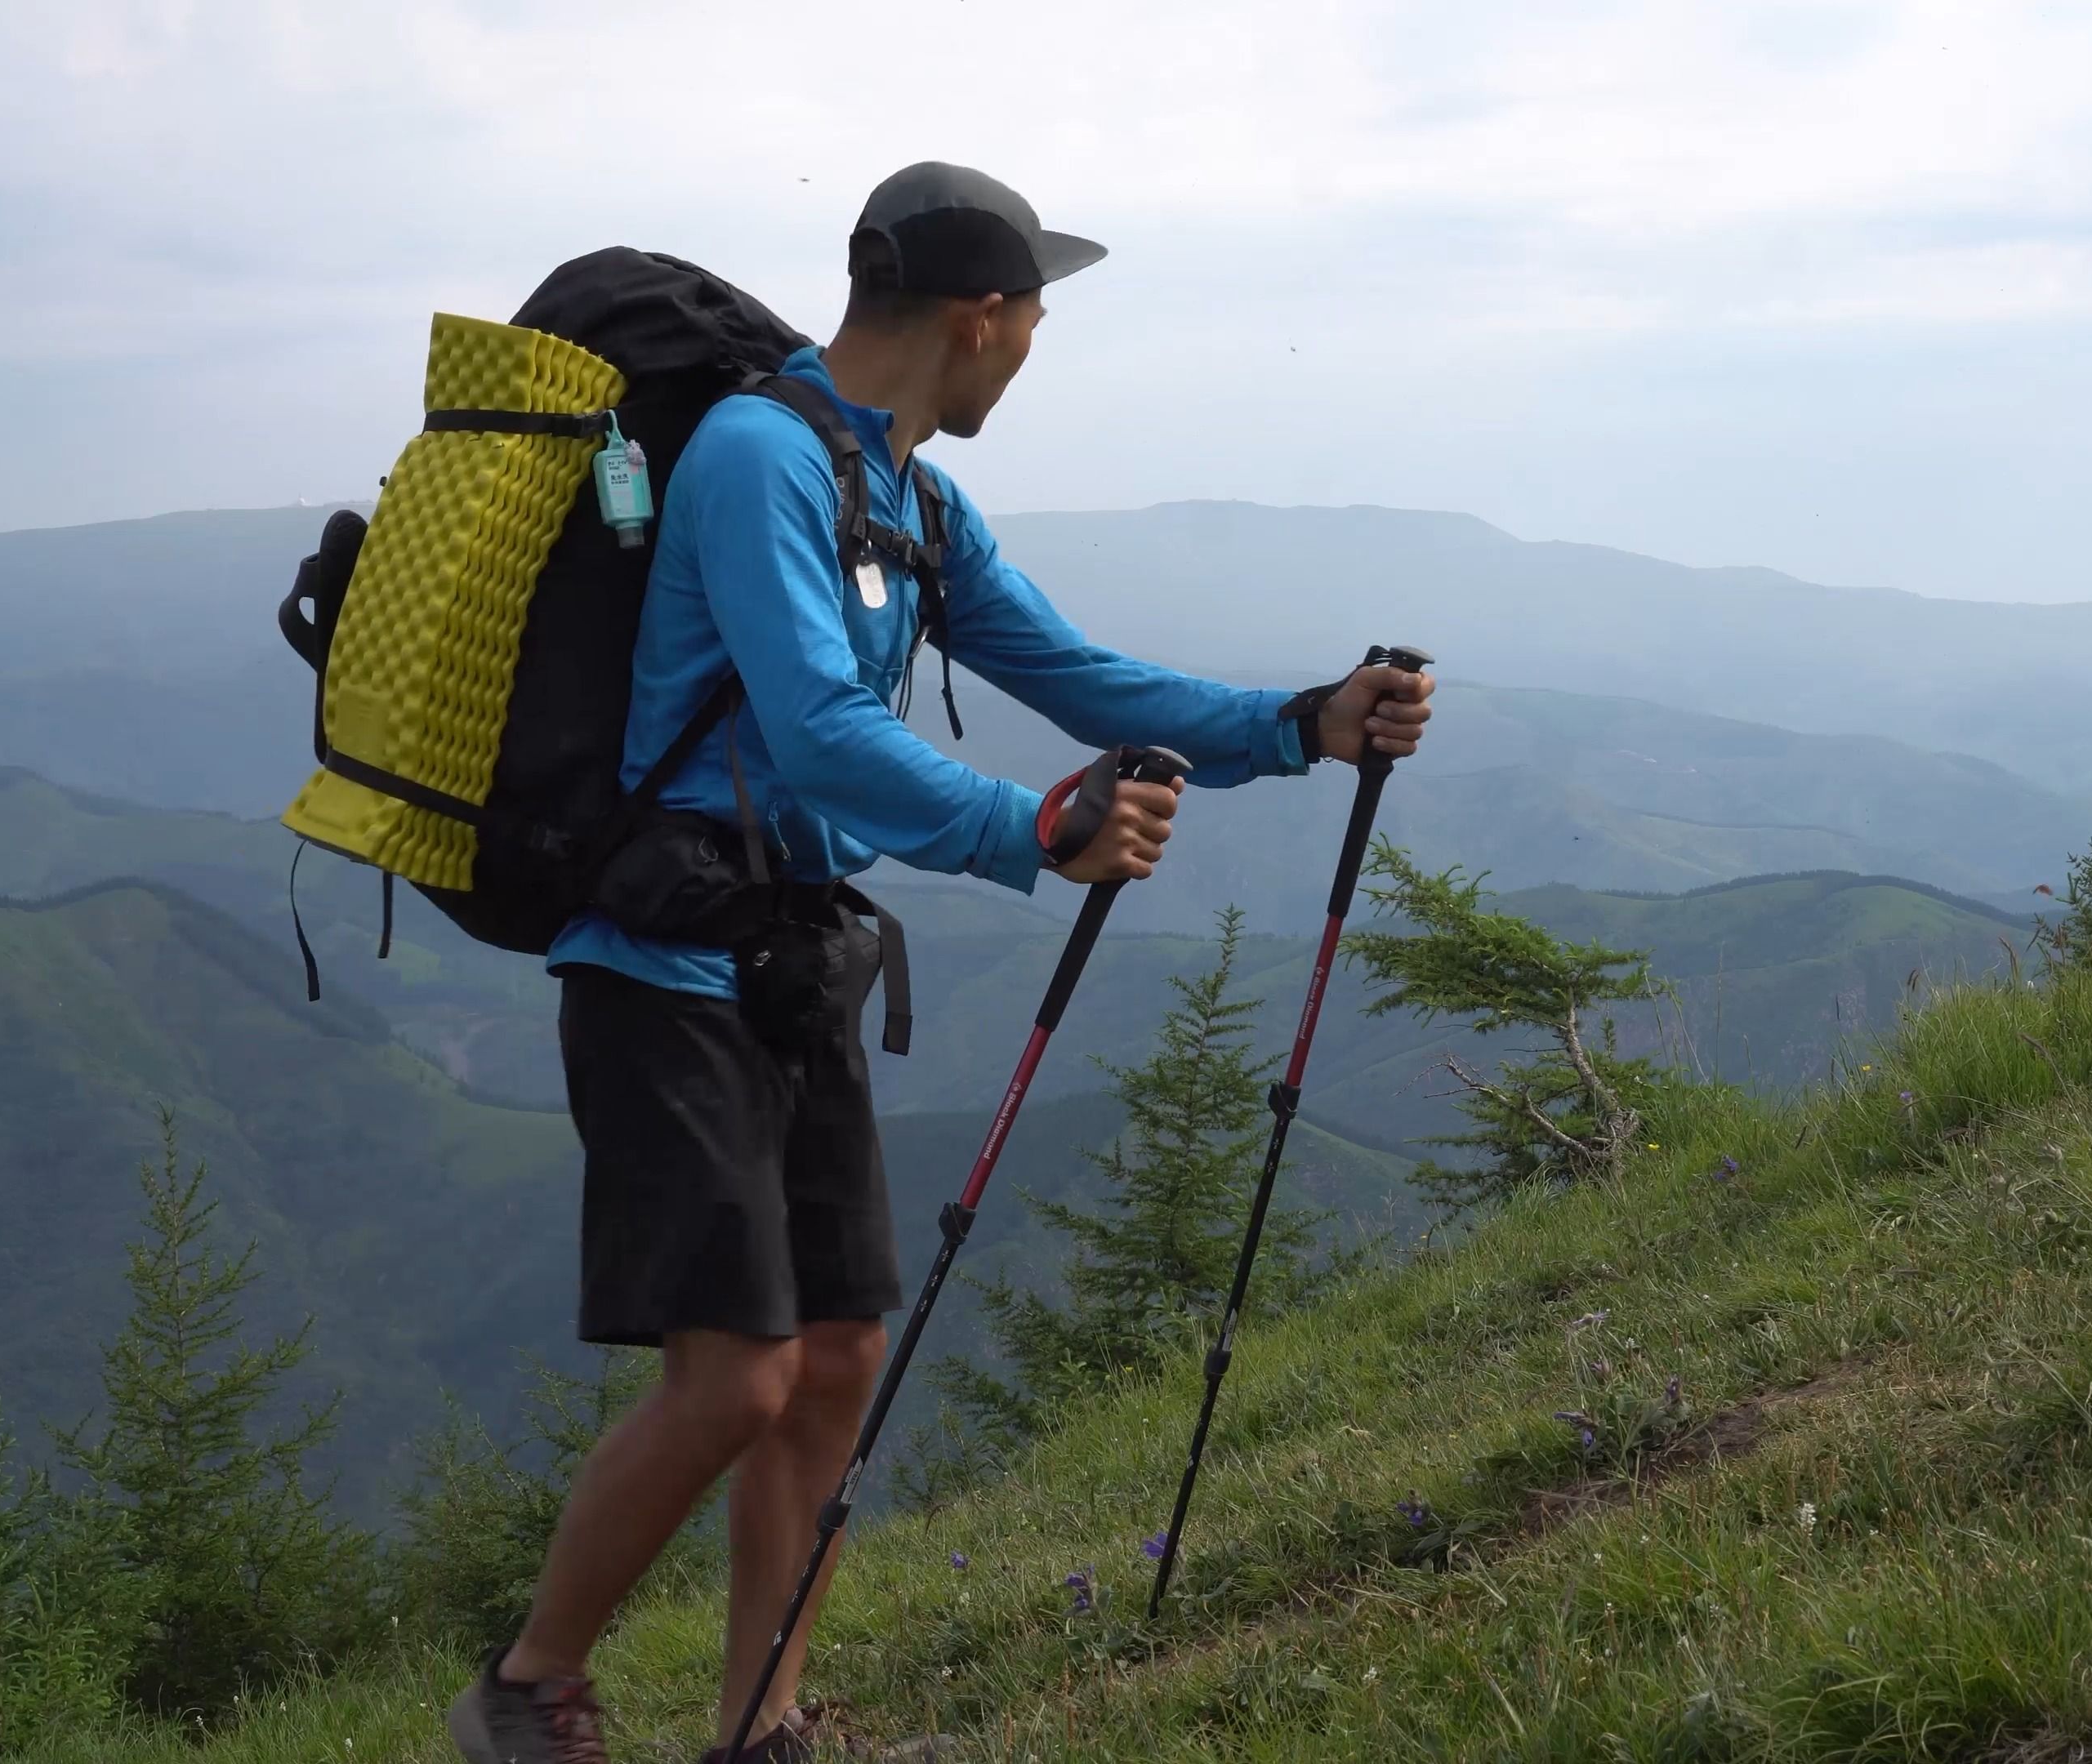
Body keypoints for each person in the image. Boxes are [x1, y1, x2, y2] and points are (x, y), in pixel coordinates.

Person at [444, 162, 1434, 1764]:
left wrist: (1295, 725)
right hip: (663, 966)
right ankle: (522, 1691)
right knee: (739, 1377)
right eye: (1035, 317)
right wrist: (1032, 828)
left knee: (833, 1357)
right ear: (982, 318)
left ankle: (761, 1728)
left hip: (797, 956)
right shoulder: (760, 461)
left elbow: (1072, 668)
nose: (1034, 347)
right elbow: (820, 731)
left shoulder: (907, 493)